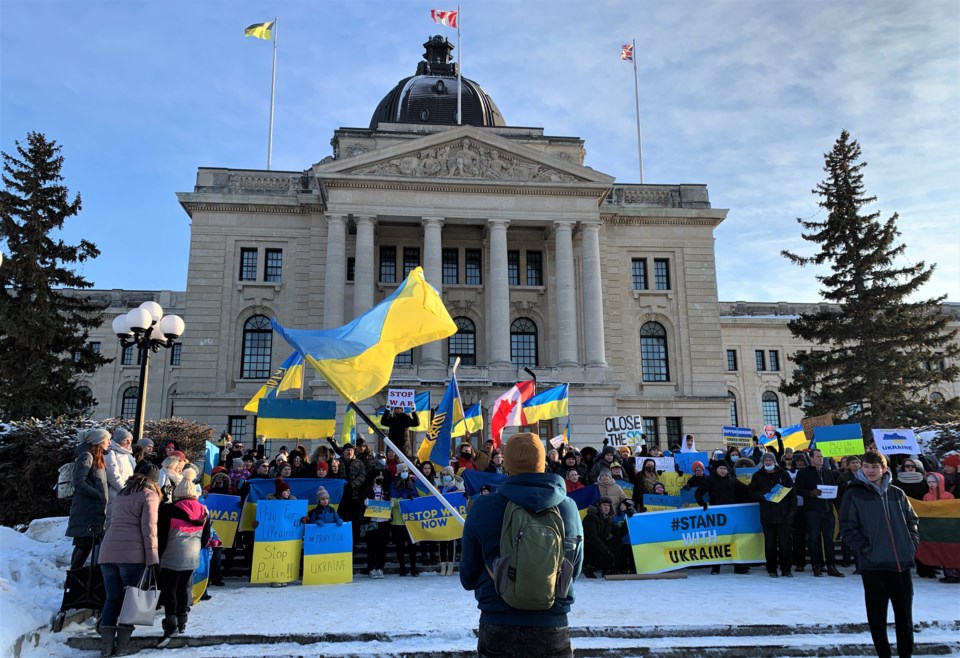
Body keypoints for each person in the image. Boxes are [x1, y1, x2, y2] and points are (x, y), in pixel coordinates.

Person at [460, 432, 583, 657]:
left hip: (497, 619)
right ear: (543, 461)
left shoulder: (483, 506)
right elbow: (573, 569)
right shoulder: (568, 507)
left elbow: (467, 576)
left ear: (506, 463)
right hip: (552, 621)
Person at [840, 450, 919, 658]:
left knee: (904, 618)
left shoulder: (897, 493)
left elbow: (912, 521)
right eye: (866, 466)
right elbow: (847, 528)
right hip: (873, 566)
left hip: (900, 564)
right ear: (861, 469)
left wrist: (910, 544)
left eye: (875, 467)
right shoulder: (853, 494)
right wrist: (867, 550)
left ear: (883, 468)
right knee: (877, 618)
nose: (870, 470)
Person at [97, 464, 161, 657]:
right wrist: (152, 558)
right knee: (129, 601)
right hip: (132, 553)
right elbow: (149, 528)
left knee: (112, 598)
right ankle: (122, 647)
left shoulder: (122, 494)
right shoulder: (149, 495)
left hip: (108, 550)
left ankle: (106, 648)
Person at [157, 466, 210, 646]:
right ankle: (182, 620)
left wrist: (158, 555)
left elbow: (162, 535)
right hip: (192, 555)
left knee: (169, 588)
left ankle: (170, 622)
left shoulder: (169, 510)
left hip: (171, 554)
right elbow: (206, 537)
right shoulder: (204, 511)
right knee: (182, 588)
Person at [795, 448, 844, 577]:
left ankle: (831, 566)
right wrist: (810, 493)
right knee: (814, 538)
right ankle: (816, 565)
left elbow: (834, 489)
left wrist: (837, 507)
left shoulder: (828, 472)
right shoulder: (804, 473)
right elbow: (798, 489)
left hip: (827, 510)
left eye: (821, 456)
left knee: (829, 539)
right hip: (812, 511)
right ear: (811, 458)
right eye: (817, 456)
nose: (820, 458)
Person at [66, 428, 111, 569]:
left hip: (92, 507)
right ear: (99, 441)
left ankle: (73, 577)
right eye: (107, 439)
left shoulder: (97, 457)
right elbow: (79, 482)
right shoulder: (87, 456)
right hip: (87, 508)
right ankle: (73, 578)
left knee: (85, 544)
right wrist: (98, 494)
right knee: (84, 544)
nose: (109, 442)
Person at [749, 451, 798, 578]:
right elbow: (752, 492)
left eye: (770, 460)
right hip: (767, 516)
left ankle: (786, 569)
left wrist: (791, 513)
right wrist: (764, 495)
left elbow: (792, 494)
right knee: (769, 544)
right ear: (763, 462)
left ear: (774, 461)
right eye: (766, 460)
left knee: (785, 544)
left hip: (783, 515)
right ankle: (771, 569)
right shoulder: (757, 476)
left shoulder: (783, 474)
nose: (768, 462)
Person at [696, 461, 750, 574]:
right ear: (716, 469)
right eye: (720, 468)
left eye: (725, 469)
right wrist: (702, 503)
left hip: (732, 514)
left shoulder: (733, 480)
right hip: (717, 516)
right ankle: (716, 566)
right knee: (718, 540)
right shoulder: (710, 480)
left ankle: (738, 566)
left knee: (734, 539)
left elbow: (746, 490)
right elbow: (698, 492)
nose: (723, 471)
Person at [922, 471, 959, 584]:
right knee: (941, 551)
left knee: (951, 551)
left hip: (948, 527)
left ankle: (956, 573)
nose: (931, 484)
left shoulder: (948, 496)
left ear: (940, 482)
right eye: (929, 482)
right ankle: (948, 573)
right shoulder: (927, 496)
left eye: (934, 481)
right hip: (935, 528)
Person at [389, 464, 419, 576]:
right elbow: (392, 501)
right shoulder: (393, 484)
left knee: (412, 546)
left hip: (410, 521)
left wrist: (412, 499)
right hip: (398, 521)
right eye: (403, 471)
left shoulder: (412, 483)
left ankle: (413, 567)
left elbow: (416, 497)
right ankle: (402, 568)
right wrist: (403, 500)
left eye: (407, 470)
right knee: (400, 546)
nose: (405, 472)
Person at [583, 496, 619, 578]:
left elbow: (618, 533)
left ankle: (608, 568)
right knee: (604, 552)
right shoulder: (591, 517)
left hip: (599, 546)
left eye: (608, 505)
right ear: (599, 507)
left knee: (617, 541)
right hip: (589, 547)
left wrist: (630, 517)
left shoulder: (608, 519)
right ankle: (589, 567)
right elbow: (593, 538)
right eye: (604, 505)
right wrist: (607, 552)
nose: (607, 507)